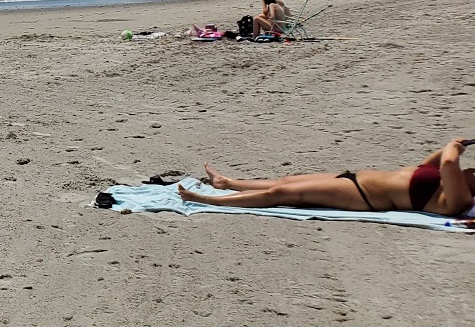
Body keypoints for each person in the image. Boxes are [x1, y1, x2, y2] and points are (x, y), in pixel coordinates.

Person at [179, 138, 475, 219]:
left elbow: (449, 159)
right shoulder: (447, 179)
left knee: (281, 196)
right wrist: (453, 145)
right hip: (354, 178)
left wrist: (453, 147)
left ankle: (207, 200)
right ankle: (227, 183)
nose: (470, 169)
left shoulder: (457, 198)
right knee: (285, 181)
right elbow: (432, 162)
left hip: (365, 197)